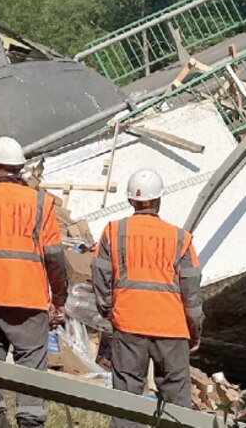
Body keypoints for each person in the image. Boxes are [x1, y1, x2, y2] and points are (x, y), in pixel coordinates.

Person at [0, 136, 68, 428]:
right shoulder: (41, 203)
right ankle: (30, 421)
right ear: (20, 169)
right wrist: (59, 301)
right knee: (31, 368)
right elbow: (55, 258)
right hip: (29, 304)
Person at [92, 169, 203, 428]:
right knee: (177, 402)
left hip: (129, 324)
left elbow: (100, 274)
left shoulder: (113, 231)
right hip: (172, 329)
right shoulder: (180, 238)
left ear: (131, 200)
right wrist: (194, 328)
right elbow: (192, 291)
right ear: (159, 200)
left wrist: (109, 310)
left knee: (127, 399)